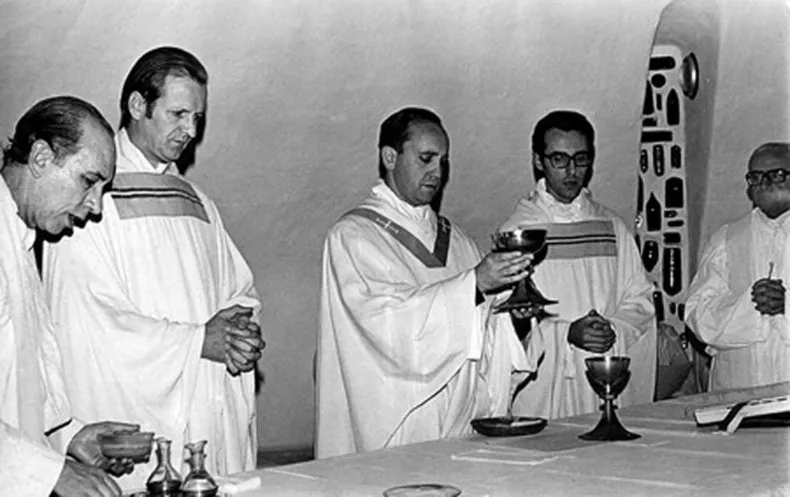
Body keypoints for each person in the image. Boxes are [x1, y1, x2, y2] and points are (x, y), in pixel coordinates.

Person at [42, 47, 265, 491]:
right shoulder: (87, 196)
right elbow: (89, 320)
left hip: (204, 407)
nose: (191, 131)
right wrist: (198, 341)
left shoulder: (198, 201)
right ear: (137, 105)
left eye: (197, 117)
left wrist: (239, 333)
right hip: (139, 415)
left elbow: (238, 290)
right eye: (178, 114)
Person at [316, 106, 542, 459]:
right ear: (390, 157)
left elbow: (488, 337)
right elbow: (386, 330)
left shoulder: (458, 241)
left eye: (443, 161)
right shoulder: (355, 236)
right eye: (426, 159)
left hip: (464, 426)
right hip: (401, 430)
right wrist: (474, 284)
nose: (437, 172)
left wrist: (516, 320)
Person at [0, 96, 141, 496]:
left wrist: (69, 438)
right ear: (41, 158)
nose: (95, 206)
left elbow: (16, 393)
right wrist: (53, 474)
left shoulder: (21, 243)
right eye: (88, 181)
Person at [499, 110, 656, 420]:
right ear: (538, 160)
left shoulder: (611, 227)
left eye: (580, 159)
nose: (571, 171)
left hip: (605, 372)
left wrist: (612, 328)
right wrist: (566, 334)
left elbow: (640, 301)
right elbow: (503, 325)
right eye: (559, 159)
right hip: (547, 389)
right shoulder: (517, 234)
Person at [685, 142, 790, 391]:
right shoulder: (726, 239)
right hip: (738, 387)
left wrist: (785, 306)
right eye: (756, 176)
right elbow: (698, 314)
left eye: (777, 174)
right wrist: (749, 306)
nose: (765, 183)